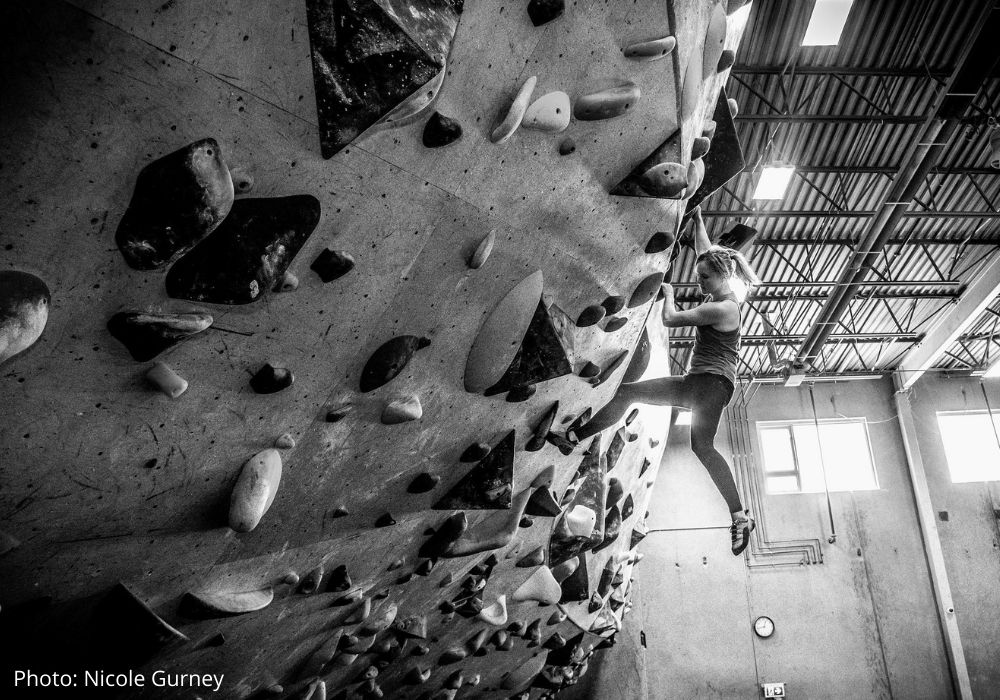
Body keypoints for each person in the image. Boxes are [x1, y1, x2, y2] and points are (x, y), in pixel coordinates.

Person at [566, 207, 761, 555]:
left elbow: (670, 319)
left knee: (701, 446)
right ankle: (573, 437)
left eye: (704, 279)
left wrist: (668, 291)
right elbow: (705, 252)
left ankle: (739, 515)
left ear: (720, 278)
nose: (699, 283)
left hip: (710, 385)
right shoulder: (721, 286)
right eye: (699, 276)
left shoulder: (724, 309)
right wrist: (698, 218)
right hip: (699, 383)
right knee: (628, 395)